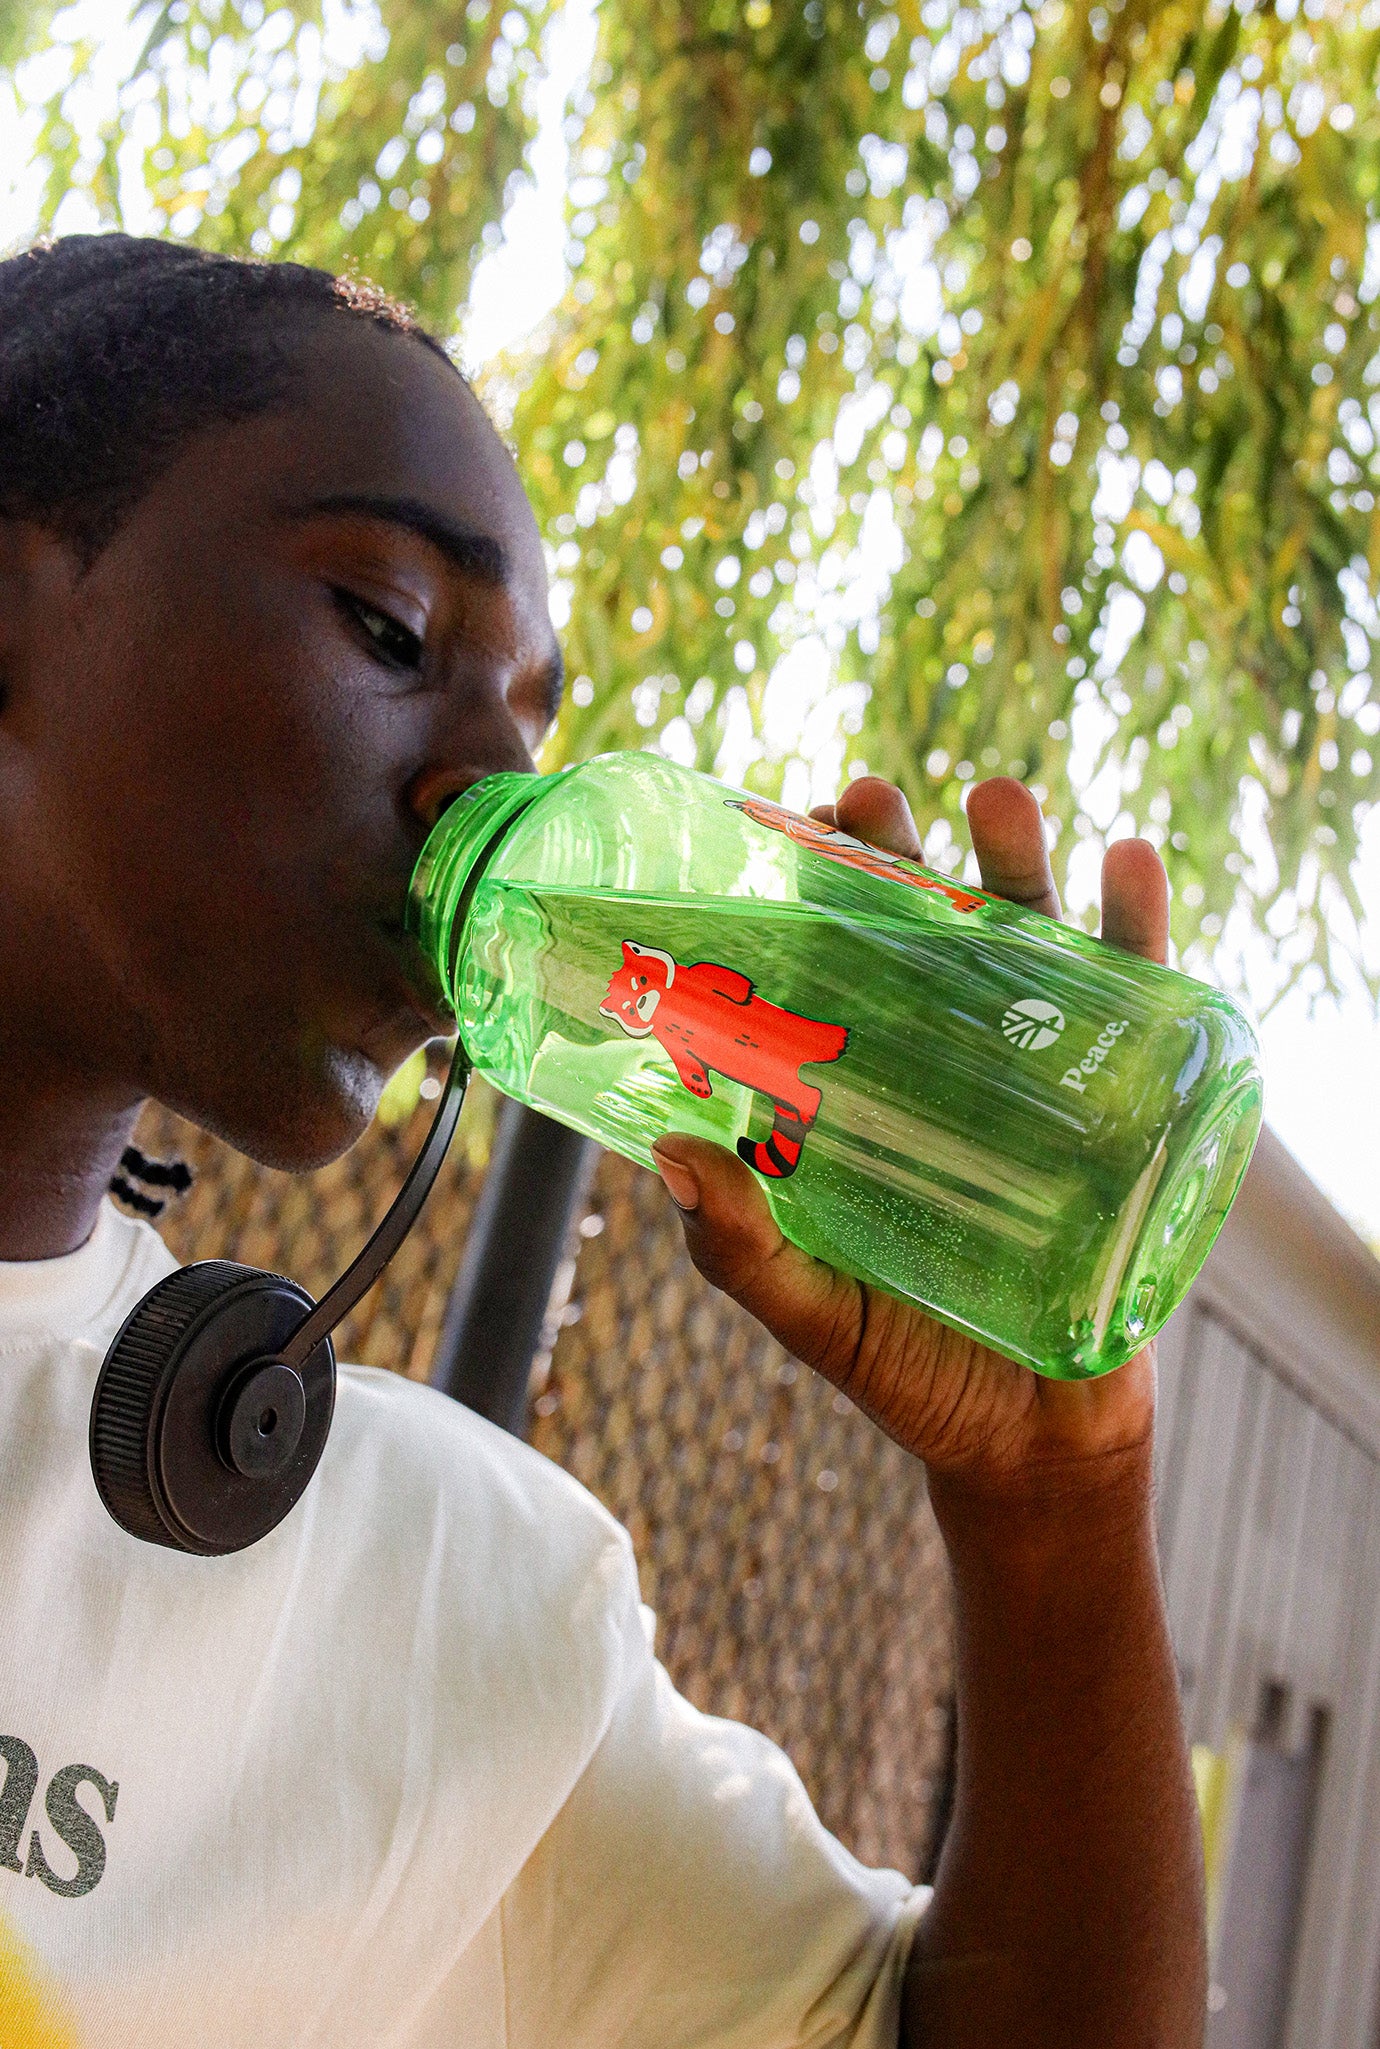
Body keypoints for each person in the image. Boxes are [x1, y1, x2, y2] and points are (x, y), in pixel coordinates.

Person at [0, 234, 1204, 2048]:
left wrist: (1053, 1512)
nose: (492, 783)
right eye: (394, 629)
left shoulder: (444, 1614)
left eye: (536, 724)